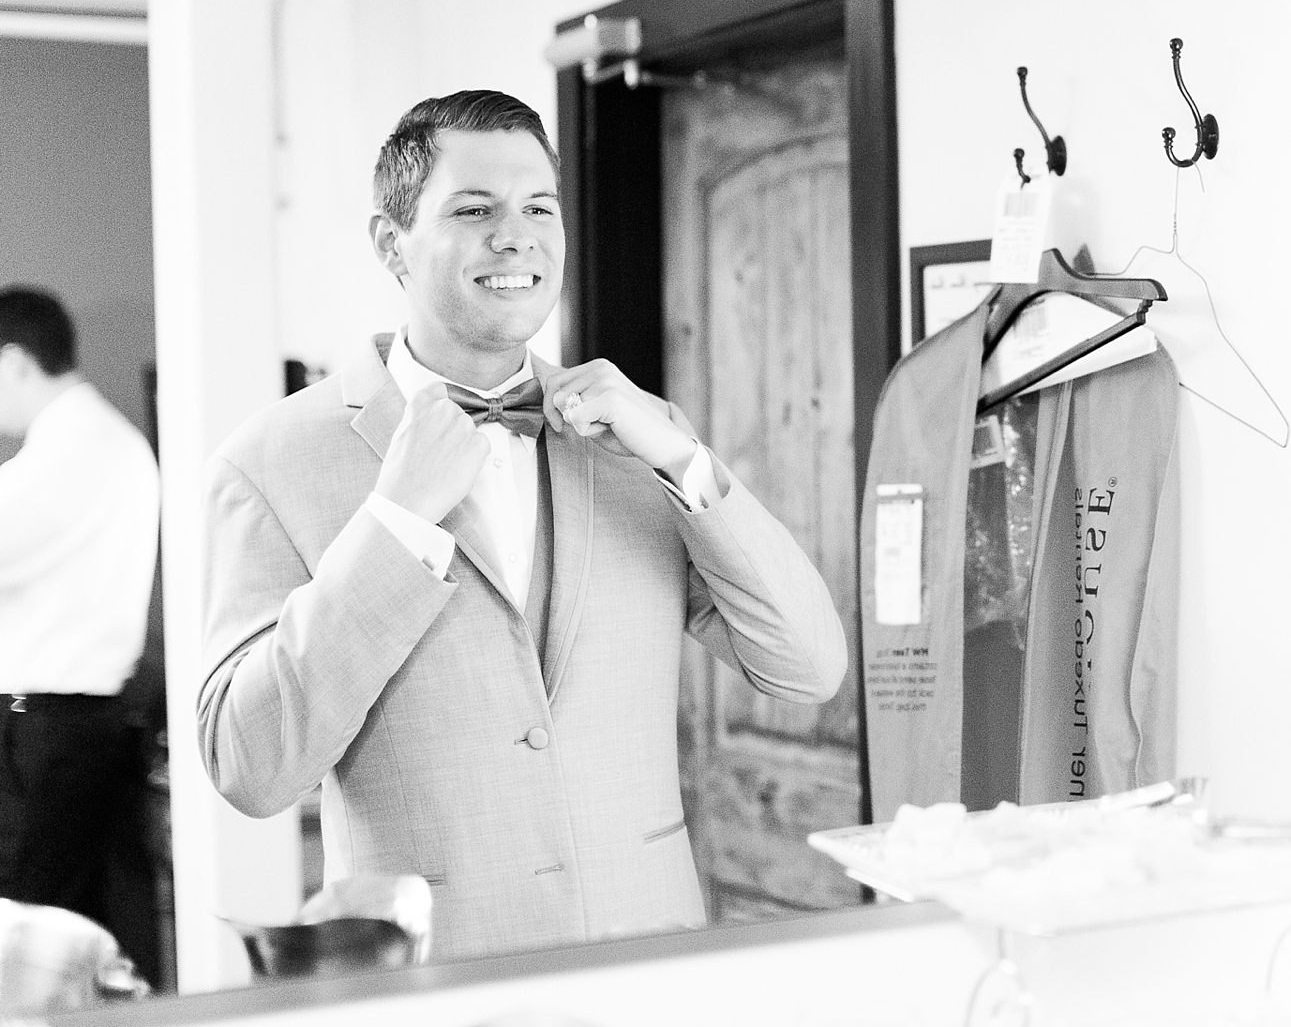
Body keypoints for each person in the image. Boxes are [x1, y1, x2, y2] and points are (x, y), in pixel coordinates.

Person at [197, 90, 847, 962]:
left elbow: (807, 667)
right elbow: (249, 766)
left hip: (650, 964)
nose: (517, 236)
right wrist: (393, 524)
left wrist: (685, 463)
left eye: (539, 207)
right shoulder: (268, 463)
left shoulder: (632, 439)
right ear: (391, 243)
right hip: (439, 980)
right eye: (474, 210)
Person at [0, 287, 161, 984]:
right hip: (81, 726)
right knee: (80, 926)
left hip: (51, 731)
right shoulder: (104, 443)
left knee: (29, 937)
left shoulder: (69, 454)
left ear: (13, 362)